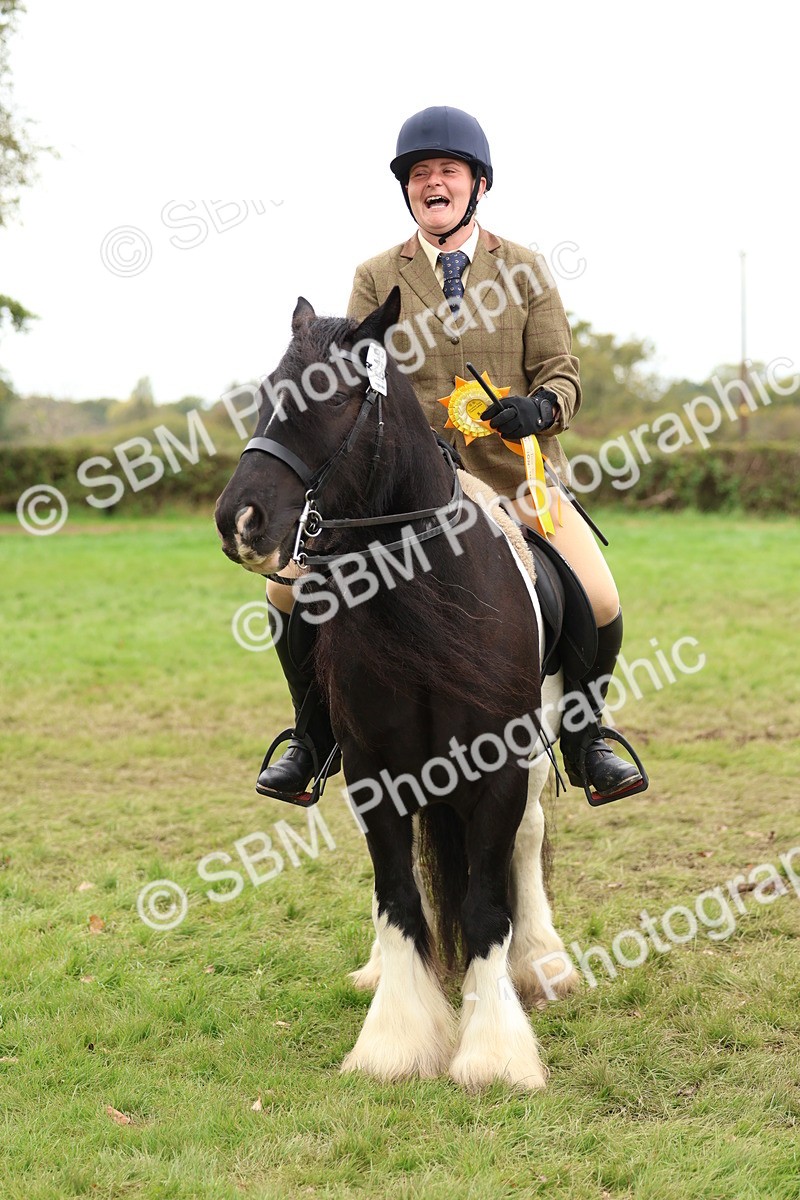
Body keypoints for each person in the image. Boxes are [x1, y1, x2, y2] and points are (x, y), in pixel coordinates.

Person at [256, 105, 647, 807]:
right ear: (408, 189)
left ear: (477, 185)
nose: (432, 183)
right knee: (283, 588)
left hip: (516, 481)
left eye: (447, 171)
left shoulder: (524, 270)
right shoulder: (377, 275)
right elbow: (357, 375)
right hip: (408, 491)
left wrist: (541, 409)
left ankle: (586, 740)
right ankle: (313, 738)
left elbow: (562, 369)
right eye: (420, 174)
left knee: (603, 596)